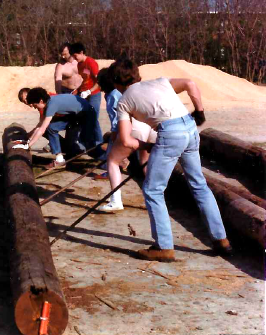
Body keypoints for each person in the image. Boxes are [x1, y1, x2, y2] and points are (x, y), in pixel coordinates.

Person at [110, 59, 232, 262]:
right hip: (190, 128)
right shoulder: (160, 82)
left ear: (116, 82)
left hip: (170, 133)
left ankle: (164, 247)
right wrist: (199, 111)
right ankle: (221, 240)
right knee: (199, 185)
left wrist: (147, 146)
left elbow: (125, 140)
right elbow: (190, 84)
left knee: (152, 189)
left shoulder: (123, 101)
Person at [96, 67, 157, 212]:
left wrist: (114, 135)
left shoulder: (112, 95)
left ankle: (115, 200)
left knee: (112, 160)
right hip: (149, 125)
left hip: (133, 127)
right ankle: (155, 197)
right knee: (144, 160)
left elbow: (118, 120)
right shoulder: (134, 89)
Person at [25, 87, 103, 169]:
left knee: (90, 147)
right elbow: (40, 126)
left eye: (35, 105)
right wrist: (27, 139)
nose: (34, 107)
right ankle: (60, 159)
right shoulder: (49, 102)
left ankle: (108, 159)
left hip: (87, 114)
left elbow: (42, 129)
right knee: (51, 127)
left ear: (41, 101)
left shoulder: (52, 104)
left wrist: (28, 145)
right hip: (76, 116)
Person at [70, 42, 103, 145]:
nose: (75, 59)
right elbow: (86, 79)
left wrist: (89, 91)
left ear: (81, 52)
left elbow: (99, 81)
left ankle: (99, 141)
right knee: (84, 118)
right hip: (84, 94)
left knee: (93, 118)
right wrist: (77, 90)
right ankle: (87, 140)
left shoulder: (91, 63)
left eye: (76, 56)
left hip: (94, 95)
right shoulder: (80, 65)